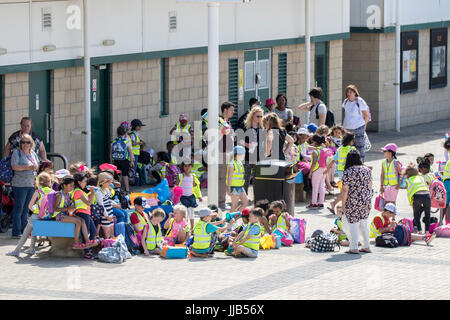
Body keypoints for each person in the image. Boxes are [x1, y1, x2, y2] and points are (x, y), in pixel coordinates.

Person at [7, 172, 52, 256]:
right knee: (34, 230)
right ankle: (31, 248)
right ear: (49, 182)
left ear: (38, 182)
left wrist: (36, 209)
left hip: (36, 216)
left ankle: (17, 250)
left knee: (25, 233)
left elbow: (30, 206)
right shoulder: (52, 192)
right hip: (47, 217)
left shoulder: (38, 192)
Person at [340, 149, 372, 254]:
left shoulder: (348, 171)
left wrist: (343, 203)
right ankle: (366, 245)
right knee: (364, 222)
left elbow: (345, 189)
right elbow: (370, 185)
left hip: (353, 200)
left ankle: (354, 247)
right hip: (366, 200)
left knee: (353, 223)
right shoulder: (367, 170)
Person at [10, 133, 39, 238]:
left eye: (27, 142)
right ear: (20, 144)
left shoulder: (33, 154)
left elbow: (37, 166)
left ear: (31, 143)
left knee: (27, 209)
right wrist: (28, 167)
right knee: (19, 208)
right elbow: (14, 167)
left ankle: (24, 230)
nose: (25, 144)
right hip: (19, 185)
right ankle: (16, 231)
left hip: (30, 184)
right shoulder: (17, 153)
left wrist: (35, 169)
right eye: (23, 142)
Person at [53, 176, 91, 250]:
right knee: (78, 222)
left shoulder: (68, 194)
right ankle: (76, 243)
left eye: (73, 186)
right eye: (70, 186)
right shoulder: (59, 195)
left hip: (66, 214)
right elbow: (55, 209)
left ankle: (87, 241)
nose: (72, 187)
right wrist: (68, 208)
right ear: (64, 185)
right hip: (59, 216)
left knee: (82, 220)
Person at [369, 203, 435, 245]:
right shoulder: (378, 218)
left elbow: (385, 227)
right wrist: (390, 227)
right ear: (388, 212)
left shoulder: (385, 216)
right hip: (379, 237)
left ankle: (425, 237)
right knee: (403, 234)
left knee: (405, 233)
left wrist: (392, 225)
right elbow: (380, 230)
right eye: (392, 215)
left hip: (385, 235)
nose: (392, 217)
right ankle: (425, 237)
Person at [327, 133, 356, 214]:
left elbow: (333, 159)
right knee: (347, 191)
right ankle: (341, 206)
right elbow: (356, 161)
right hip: (349, 172)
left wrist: (327, 169)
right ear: (351, 141)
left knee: (345, 190)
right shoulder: (352, 149)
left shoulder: (340, 149)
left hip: (341, 172)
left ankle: (337, 204)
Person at [238, 105, 264, 195]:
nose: (259, 118)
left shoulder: (262, 127)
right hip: (247, 156)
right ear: (252, 115)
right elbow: (239, 139)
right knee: (246, 178)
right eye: (258, 116)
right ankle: (244, 196)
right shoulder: (245, 126)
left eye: (261, 116)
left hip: (258, 156)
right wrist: (247, 145)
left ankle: (257, 196)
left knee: (257, 178)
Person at [72, 172, 98, 260]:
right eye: (84, 181)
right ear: (79, 182)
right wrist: (93, 193)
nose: (86, 183)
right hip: (82, 213)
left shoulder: (81, 191)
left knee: (93, 231)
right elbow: (88, 202)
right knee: (85, 233)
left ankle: (89, 250)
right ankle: (87, 252)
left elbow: (88, 200)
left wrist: (90, 193)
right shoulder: (78, 191)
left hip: (86, 213)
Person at [342, 85, 369, 162]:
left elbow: (366, 115)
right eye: (348, 92)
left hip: (358, 126)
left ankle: (361, 162)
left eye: (351, 92)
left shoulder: (359, 101)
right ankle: (350, 162)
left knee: (359, 146)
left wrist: (364, 127)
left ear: (355, 93)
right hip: (347, 128)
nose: (349, 94)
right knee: (348, 146)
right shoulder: (346, 101)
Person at [402, 163, 431, 234]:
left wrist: (411, 203)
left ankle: (419, 231)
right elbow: (427, 184)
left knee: (416, 214)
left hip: (417, 196)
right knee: (427, 214)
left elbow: (409, 193)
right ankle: (427, 231)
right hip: (427, 195)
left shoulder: (408, 181)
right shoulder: (421, 177)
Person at [218, 102, 236, 209]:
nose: (233, 112)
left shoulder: (228, 122)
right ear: (225, 110)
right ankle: (220, 202)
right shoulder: (219, 122)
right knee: (221, 178)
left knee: (226, 178)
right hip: (221, 153)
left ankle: (222, 200)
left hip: (228, 153)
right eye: (231, 110)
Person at [176, 162, 203, 231]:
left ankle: (192, 228)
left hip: (191, 196)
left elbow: (196, 187)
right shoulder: (180, 176)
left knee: (191, 213)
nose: (187, 167)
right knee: (186, 213)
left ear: (191, 166)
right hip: (183, 197)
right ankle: (185, 227)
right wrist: (176, 196)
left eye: (189, 166)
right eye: (185, 166)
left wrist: (199, 196)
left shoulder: (193, 176)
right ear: (183, 167)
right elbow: (176, 187)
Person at [307, 134, 329, 209]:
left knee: (315, 187)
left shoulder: (315, 152)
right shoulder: (324, 150)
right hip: (324, 169)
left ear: (315, 142)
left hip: (316, 170)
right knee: (322, 186)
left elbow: (313, 163)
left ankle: (313, 203)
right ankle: (321, 202)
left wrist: (310, 172)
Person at [111, 126, 134, 194]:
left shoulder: (114, 142)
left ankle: (117, 189)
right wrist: (131, 161)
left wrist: (111, 161)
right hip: (125, 161)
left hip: (116, 160)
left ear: (117, 133)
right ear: (125, 134)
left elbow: (111, 152)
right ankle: (127, 190)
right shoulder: (126, 142)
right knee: (125, 175)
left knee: (117, 175)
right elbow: (130, 152)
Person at [226, 146, 249, 213]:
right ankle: (230, 221)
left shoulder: (240, 163)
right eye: (243, 154)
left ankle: (234, 217)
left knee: (245, 202)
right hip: (234, 187)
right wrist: (228, 188)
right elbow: (229, 177)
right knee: (234, 205)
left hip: (240, 187)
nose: (244, 155)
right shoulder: (232, 164)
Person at [97, 172, 116, 239]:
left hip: (110, 213)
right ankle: (107, 247)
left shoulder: (107, 190)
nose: (110, 184)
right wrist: (107, 216)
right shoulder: (99, 192)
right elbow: (102, 206)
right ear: (102, 182)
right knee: (107, 234)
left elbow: (109, 202)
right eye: (108, 182)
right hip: (105, 216)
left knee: (112, 232)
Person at [442, 138, 450, 225]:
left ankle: (445, 221)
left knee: (446, 203)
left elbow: (446, 156)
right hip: (447, 181)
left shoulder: (448, 162)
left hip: (446, 182)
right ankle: (448, 222)